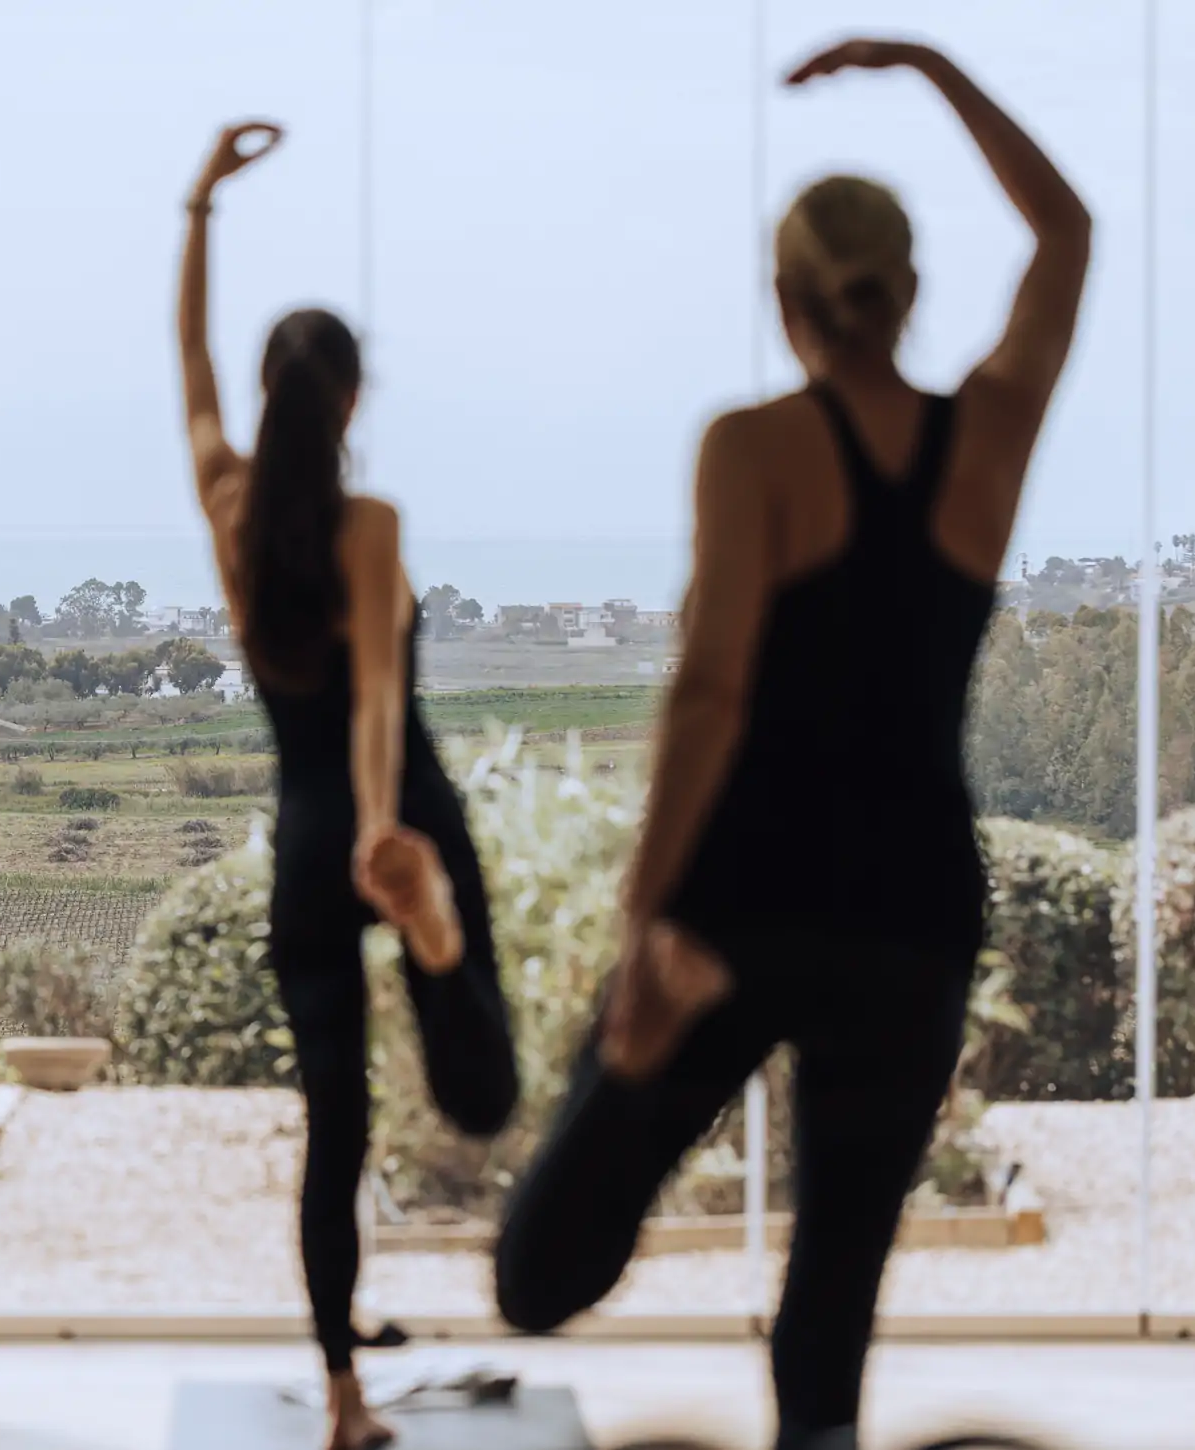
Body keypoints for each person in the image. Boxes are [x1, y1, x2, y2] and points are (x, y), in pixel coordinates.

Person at [494, 38, 1090, 1450]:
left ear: (782, 300)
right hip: (912, 910)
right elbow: (1065, 229)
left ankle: (634, 1079)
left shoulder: (752, 445)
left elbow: (709, 695)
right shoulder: (989, 433)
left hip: (739, 902)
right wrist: (928, 62)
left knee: (537, 1272)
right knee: (831, 1306)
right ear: (910, 292)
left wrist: (645, 921)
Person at [178, 120, 519, 1450]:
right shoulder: (367, 524)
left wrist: (199, 207)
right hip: (398, 816)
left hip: (303, 830)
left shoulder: (225, 504)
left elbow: (187, 370)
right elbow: (380, 688)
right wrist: (391, 835)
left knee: (336, 1122)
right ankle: (432, 939)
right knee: (475, 1082)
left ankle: (338, 1395)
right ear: (355, 401)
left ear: (270, 398)